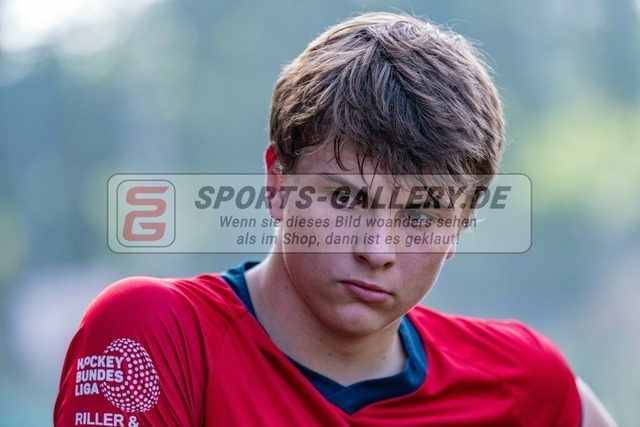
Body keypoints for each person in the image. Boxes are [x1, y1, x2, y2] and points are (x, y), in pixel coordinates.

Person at [54, 12, 617, 426]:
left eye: (421, 214)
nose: (377, 249)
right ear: (278, 183)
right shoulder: (156, 333)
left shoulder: (519, 380)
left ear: (460, 227)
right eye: (346, 199)